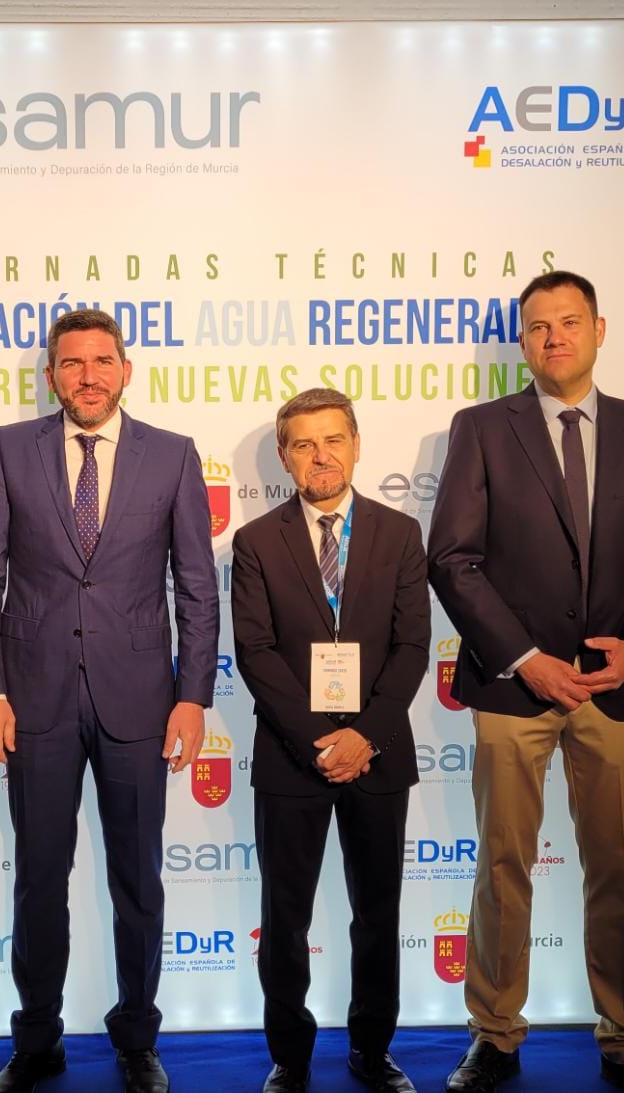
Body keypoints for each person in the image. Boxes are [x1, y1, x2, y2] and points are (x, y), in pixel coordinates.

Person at [427, 271, 624, 1093]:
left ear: (599, 329)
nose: (555, 337)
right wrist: (525, 657)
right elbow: (453, 559)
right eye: (539, 326)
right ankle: (496, 1034)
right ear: (524, 341)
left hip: (614, 691)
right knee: (503, 863)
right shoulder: (480, 428)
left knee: (616, 864)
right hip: (514, 689)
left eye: (569, 322)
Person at [0, 308, 220, 1093]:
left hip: (140, 701)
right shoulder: (10, 449)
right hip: (31, 701)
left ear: (126, 369)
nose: (88, 376)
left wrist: (193, 697)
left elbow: (197, 588)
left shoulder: (172, 456)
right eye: (72, 363)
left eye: (103, 361)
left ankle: (137, 1038)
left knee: (138, 877)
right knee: (38, 876)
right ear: (52, 375)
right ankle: (36, 1038)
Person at [230, 388, 429, 1093]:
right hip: (292, 758)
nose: (321, 455)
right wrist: (321, 740)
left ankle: (372, 1051)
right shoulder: (255, 543)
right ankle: (290, 1056)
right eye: (305, 443)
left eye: (334, 438)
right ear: (285, 456)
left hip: (378, 756)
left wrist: (364, 735)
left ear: (355, 442)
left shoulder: (401, 534)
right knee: (285, 915)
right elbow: (255, 652)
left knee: (378, 913)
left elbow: (412, 645)